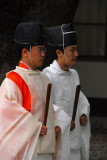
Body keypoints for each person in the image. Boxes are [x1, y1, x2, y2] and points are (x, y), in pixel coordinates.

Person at [0, 22, 61, 160]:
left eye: (44, 50)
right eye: (40, 49)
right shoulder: (13, 80)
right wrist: (34, 126)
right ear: (25, 52)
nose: (44, 54)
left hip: (47, 144)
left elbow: (50, 110)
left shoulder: (45, 79)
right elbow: (5, 115)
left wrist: (55, 124)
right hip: (28, 149)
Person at [43, 23, 91, 160]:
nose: (76, 54)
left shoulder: (74, 74)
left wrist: (83, 113)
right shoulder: (49, 74)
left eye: (76, 50)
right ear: (59, 52)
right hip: (58, 137)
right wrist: (62, 121)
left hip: (74, 136)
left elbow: (80, 99)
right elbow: (46, 106)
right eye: (72, 50)